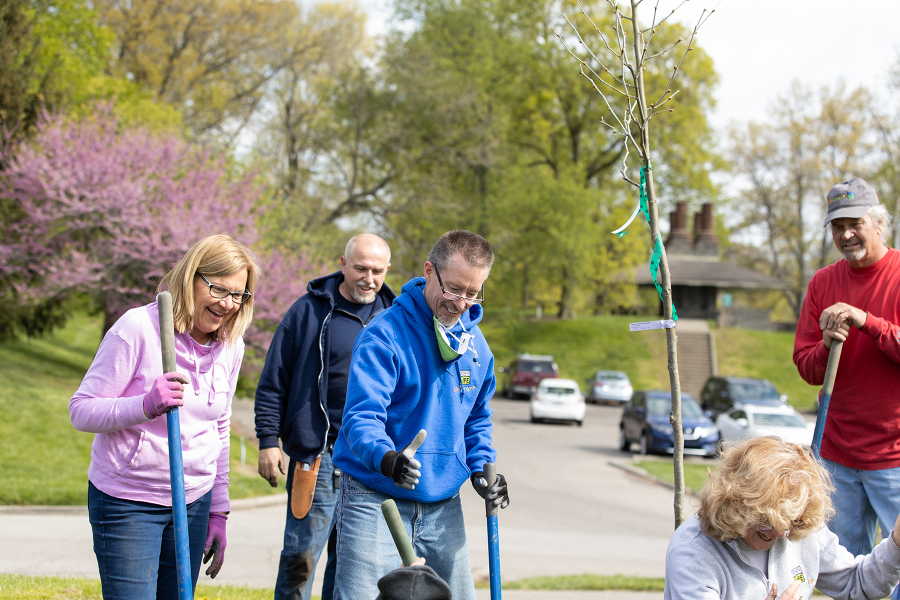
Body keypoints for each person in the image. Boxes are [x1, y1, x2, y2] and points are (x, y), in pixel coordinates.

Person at [69, 234, 260, 599]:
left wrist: (219, 509)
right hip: (129, 502)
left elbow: (219, 427)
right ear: (192, 278)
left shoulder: (231, 346)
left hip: (194, 502)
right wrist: (144, 405)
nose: (228, 304)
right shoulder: (138, 328)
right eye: (219, 289)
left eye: (239, 294)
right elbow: (81, 410)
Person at [332, 229, 510, 600]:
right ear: (429, 271)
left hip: (442, 501)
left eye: (473, 293)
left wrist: (481, 468)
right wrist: (387, 458)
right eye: (454, 289)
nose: (461, 303)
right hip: (373, 493)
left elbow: (477, 416)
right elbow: (361, 418)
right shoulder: (384, 335)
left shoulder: (476, 346)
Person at [254, 233, 394, 600]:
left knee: (351, 564)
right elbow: (273, 380)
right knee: (300, 557)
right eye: (361, 267)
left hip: (368, 461)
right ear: (343, 263)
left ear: (387, 271)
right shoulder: (308, 311)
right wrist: (268, 441)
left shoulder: (394, 319)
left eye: (377, 270)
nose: (369, 277)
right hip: (316, 456)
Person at [793, 178, 900, 565]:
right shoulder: (823, 282)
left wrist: (867, 321)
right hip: (836, 453)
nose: (847, 234)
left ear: (879, 224)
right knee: (842, 566)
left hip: (895, 455)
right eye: (838, 227)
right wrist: (825, 344)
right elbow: (806, 366)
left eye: (855, 223)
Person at [664, 436, 900, 600]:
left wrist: (897, 543)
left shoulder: (798, 522)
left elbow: (856, 584)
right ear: (735, 504)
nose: (780, 534)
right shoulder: (693, 552)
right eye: (766, 520)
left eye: (791, 521)